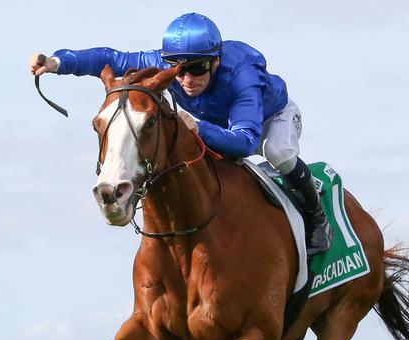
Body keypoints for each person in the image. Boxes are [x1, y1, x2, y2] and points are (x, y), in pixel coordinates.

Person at [30, 12, 331, 253]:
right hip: (219, 124)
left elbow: (246, 141)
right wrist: (57, 63)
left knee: (278, 152)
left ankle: (317, 217)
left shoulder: (243, 77)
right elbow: (109, 59)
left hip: (269, 119)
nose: (186, 79)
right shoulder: (168, 64)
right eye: (178, 68)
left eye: (198, 68)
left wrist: (198, 127)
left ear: (216, 61)